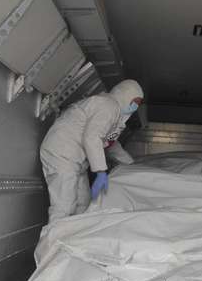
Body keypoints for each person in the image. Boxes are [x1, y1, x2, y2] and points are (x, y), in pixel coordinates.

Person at [40, 79, 144, 223]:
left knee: (83, 204)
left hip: (76, 159)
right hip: (62, 152)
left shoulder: (116, 116)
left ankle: (75, 234)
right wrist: (100, 172)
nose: (135, 107)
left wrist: (130, 164)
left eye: (138, 104)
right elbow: (92, 137)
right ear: (125, 95)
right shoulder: (108, 105)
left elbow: (111, 145)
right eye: (135, 102)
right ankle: (54, 236)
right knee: (64, 206)